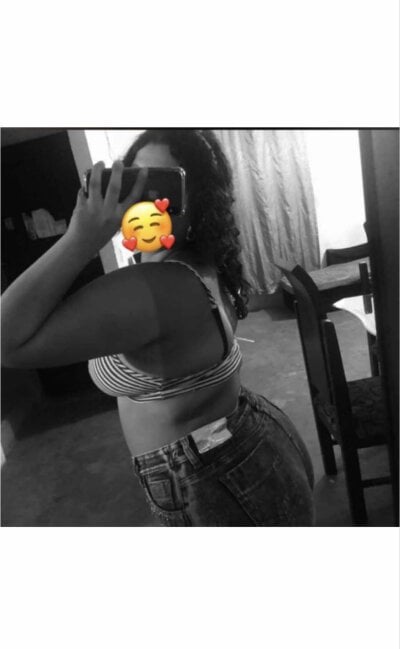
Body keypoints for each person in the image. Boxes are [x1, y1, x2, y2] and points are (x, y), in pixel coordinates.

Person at [1, 129, 315, 526]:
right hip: (242, 453)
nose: (147, 200)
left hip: (217, 485)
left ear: (197, 199)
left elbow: (6, 342)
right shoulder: (190, 261)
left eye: (165, 184)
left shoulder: (159, 287)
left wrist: (81, 239)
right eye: (137, 180)